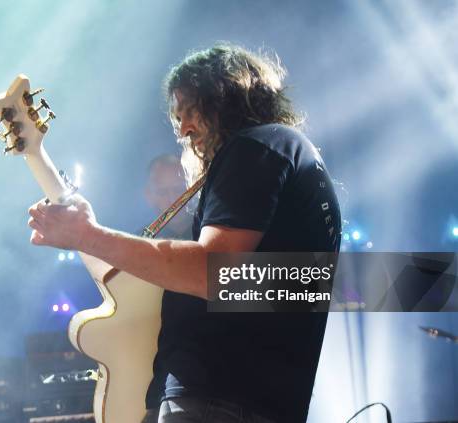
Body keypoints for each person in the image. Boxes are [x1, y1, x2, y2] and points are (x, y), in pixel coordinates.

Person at [27, 44, 341, 423]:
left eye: (190, 112)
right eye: (178, 119)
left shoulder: (255, 147)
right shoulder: (289, 154)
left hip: (216, 398)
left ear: (225, 97)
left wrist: (87, 235)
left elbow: (212, 273)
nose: (185, 130)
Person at [144, 153, 193, 240]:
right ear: (149, 196)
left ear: (190, 188)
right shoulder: (140, 243)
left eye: (178, 189)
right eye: (162, 193)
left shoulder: (214, 230)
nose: (172, 199)